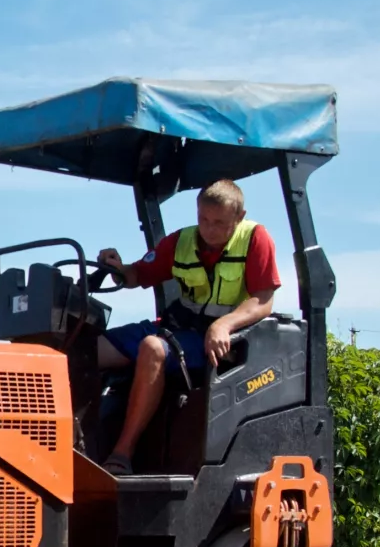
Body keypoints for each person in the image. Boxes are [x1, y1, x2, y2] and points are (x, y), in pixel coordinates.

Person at [94, 179, 281, 476]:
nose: (209, 228)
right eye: (203, 219)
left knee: (153, 348)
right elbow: (137, 274)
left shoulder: (256, 239)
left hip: (222, 344)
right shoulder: (181, 241)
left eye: (219, 222)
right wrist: (118, 268)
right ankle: (76, 446)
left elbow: (263, 301)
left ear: (239, 217)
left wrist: (223, 325)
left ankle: (121, 455)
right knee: (89, 349)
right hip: (178, 328)